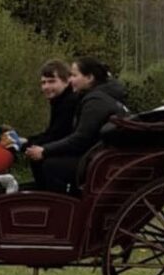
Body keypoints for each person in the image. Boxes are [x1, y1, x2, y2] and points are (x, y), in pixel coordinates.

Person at [24, 56, 127, 195]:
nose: (70, 79)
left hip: (96, 160)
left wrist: (45, 150)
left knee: (51, 165)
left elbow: (81, 139)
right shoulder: (97, 97)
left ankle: (61, 208)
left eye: (74, 75)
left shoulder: (95, 101)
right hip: (99, 155)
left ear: (89, 77)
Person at [24, 60, 78, 189]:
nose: (46, 87)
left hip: (74, 153)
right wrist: (26, 140)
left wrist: (27, 144)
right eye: (43, 83)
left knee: (39, 157)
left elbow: (58, 135)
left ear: (66, 81)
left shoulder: (69, 103)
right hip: (68, 147)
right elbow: (51, 132)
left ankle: (49, 197)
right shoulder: (59, 100)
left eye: (52, 81)